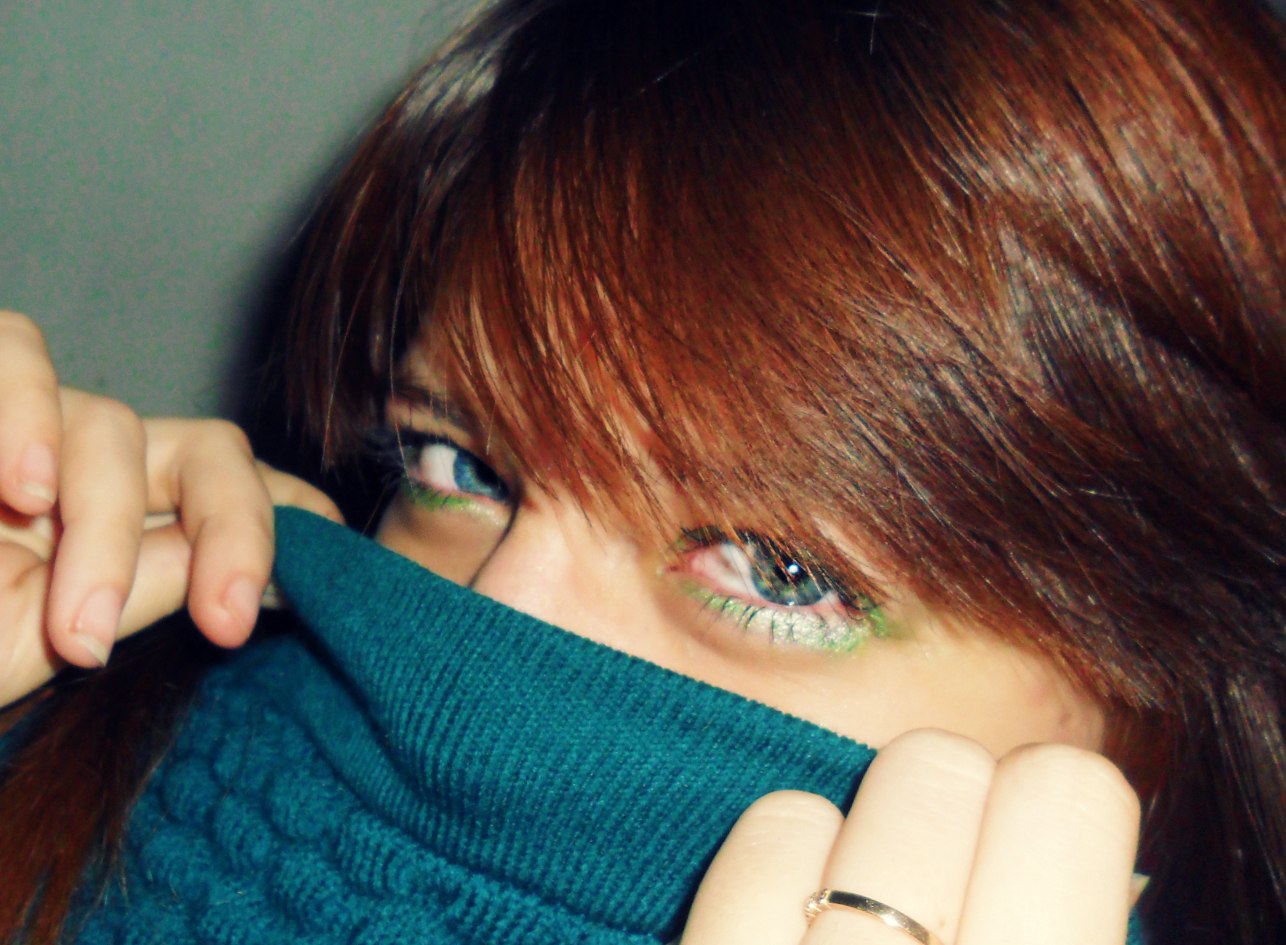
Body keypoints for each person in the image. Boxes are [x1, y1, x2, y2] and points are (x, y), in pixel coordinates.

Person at [1, 0, 1283, 943]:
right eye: (460, 464)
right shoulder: (82, 742)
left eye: (779, 570)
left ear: (1158, 724)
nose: (496, 624)